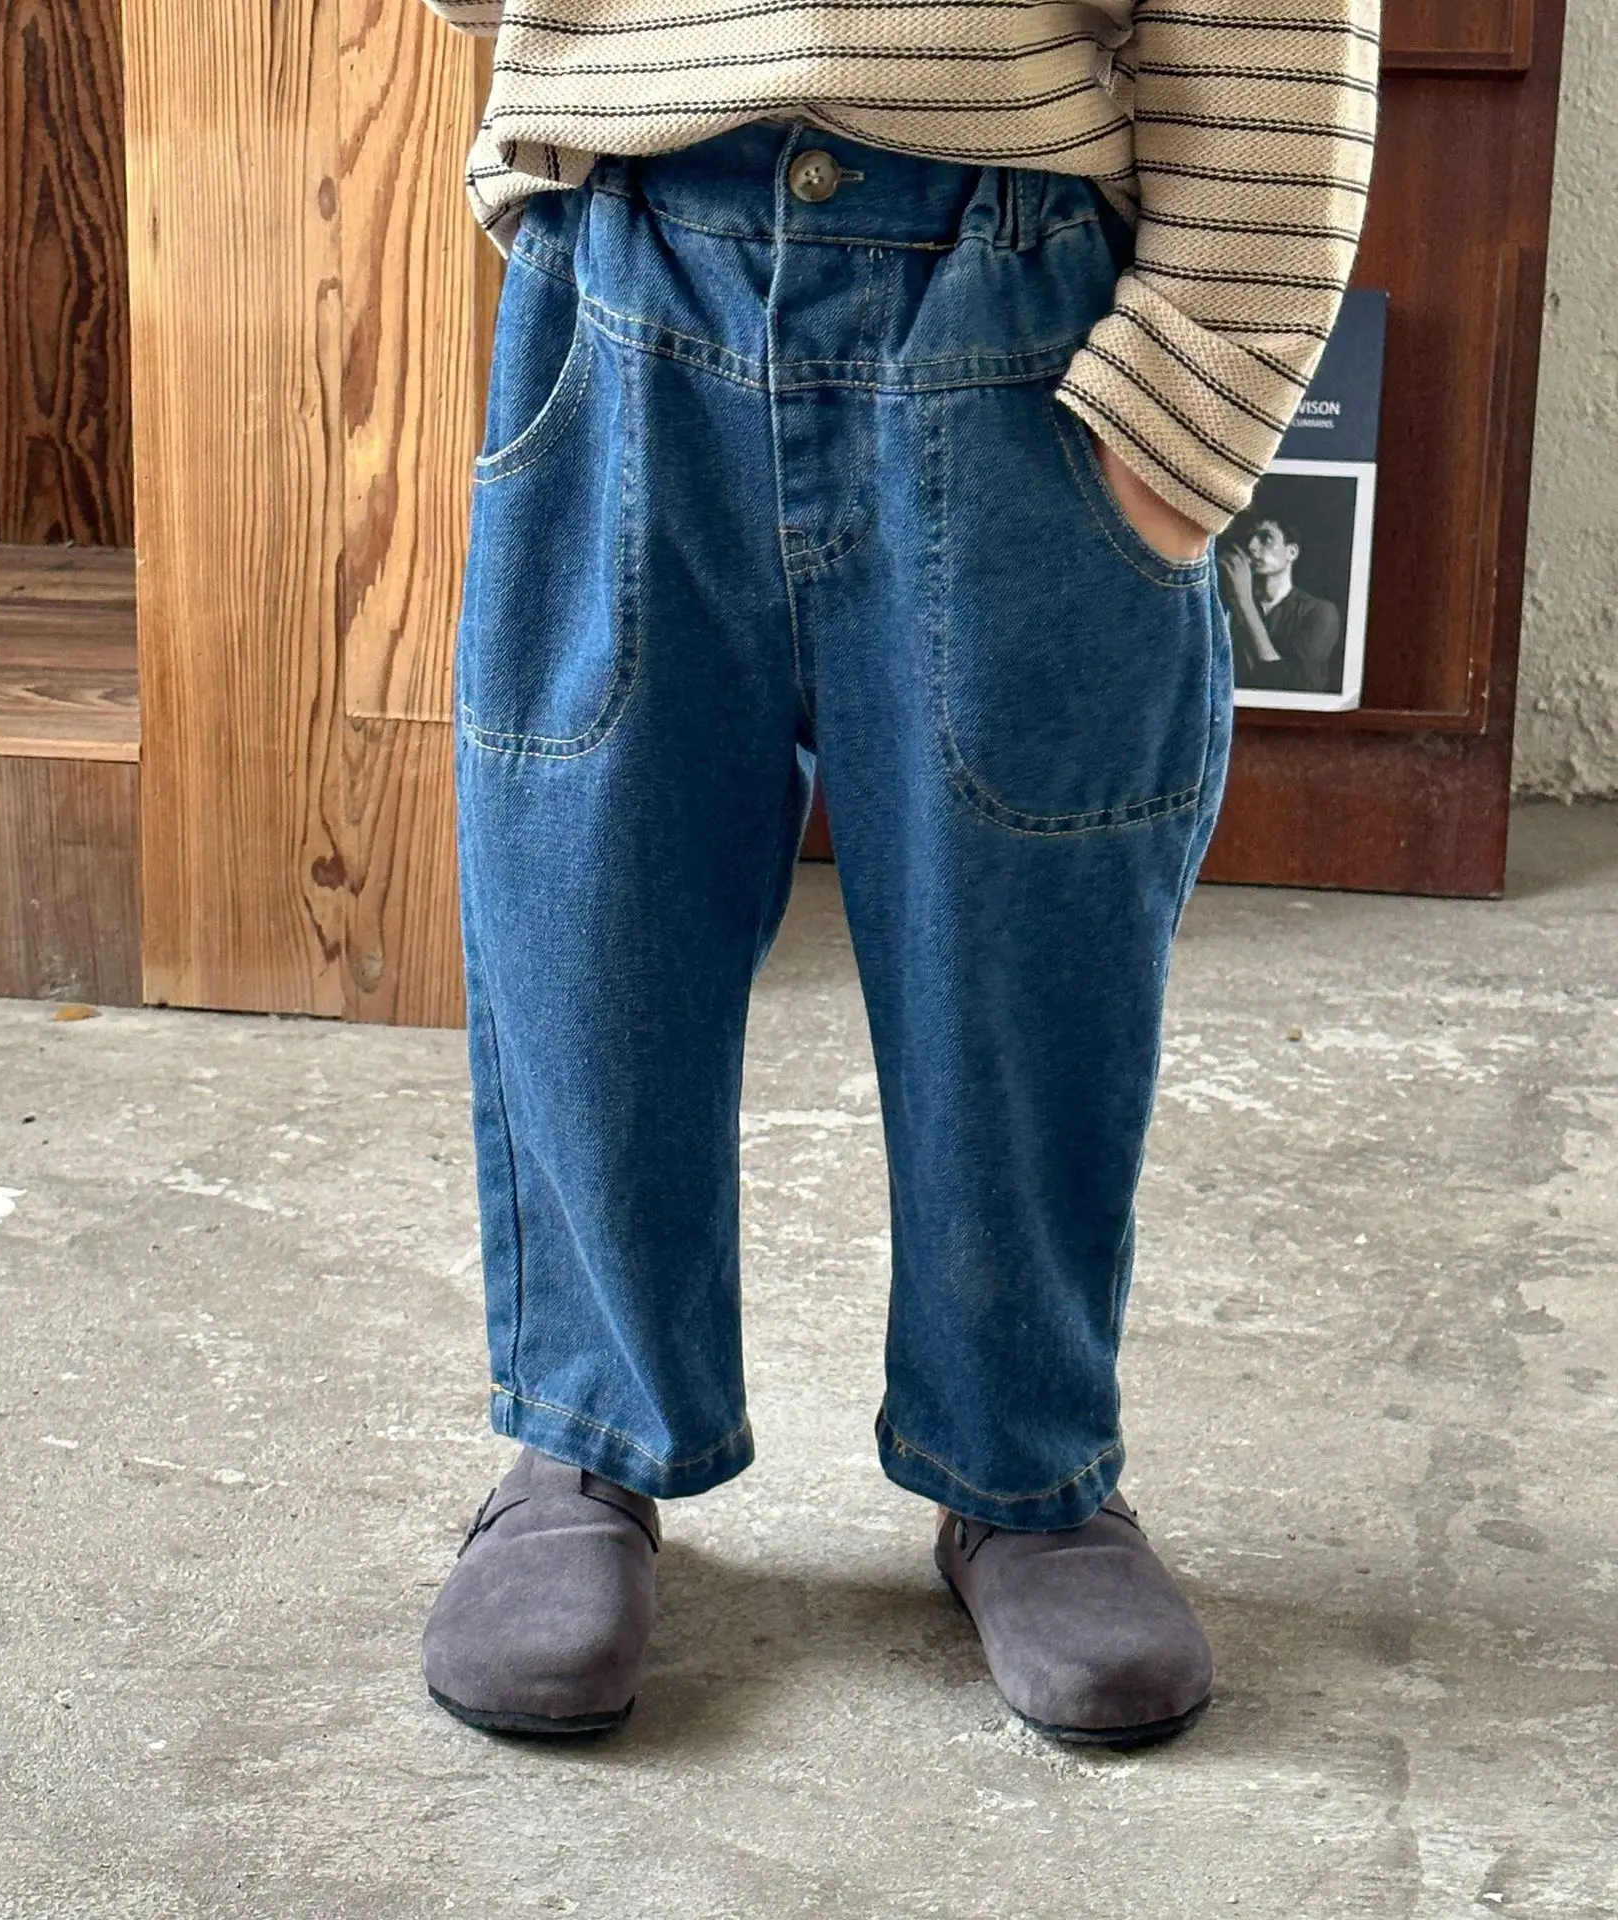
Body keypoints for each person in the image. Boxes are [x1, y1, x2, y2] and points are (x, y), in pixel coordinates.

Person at [414, 0, 1379, 1746]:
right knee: (590, 907)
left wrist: (1199, 392)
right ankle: (584, 1431)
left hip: (1015, 304)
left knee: (1028, 948)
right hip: (625, 264)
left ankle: (1025, 1465)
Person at [1220, 512, 1347, 695]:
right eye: (1250, 538)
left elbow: (1289, 686)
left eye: (1266, 538)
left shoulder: (1320, 612)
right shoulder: (1229, 606)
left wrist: (1244, 600)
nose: (1251, 546)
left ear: (1292, 552)